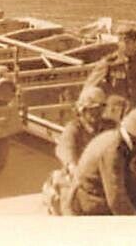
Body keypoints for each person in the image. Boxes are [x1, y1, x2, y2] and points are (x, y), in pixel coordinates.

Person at [65, 107, 136, 216]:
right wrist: (134, 221)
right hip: (89, 199)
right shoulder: (112, 150)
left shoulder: (124, 140)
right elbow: (115, 198)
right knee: (121, 202)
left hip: (99, 189)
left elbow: (132, 173)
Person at [43, 87, 117, 215]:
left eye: (99, 109)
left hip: (106, 175)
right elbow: (66, 150)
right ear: (82, 110)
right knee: (70, 201)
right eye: (91, 110)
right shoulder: (73, 129)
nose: (96, 114)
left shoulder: (110, 126)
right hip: (79, 177)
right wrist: (73, 167)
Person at [83, 27, 136, 120]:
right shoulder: (109, 63)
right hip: (117, 113)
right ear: (119, 44)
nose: (129, 46)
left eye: (132, 42)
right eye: (125, 43)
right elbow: (89, 86)